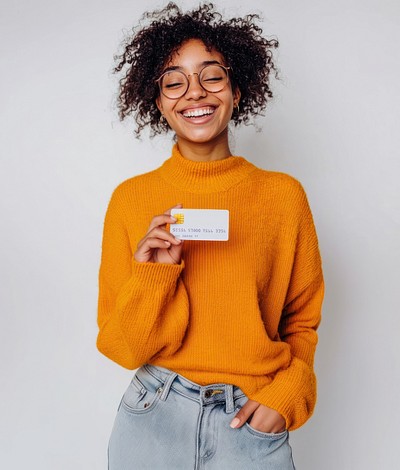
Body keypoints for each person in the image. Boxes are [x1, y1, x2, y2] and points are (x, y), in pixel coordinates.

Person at [96, 3, 324, 469]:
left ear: (237, 90)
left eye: (211, 76)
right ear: (158, 101)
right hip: (153, 414)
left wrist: (288, 395)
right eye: (174, 81)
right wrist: (153, 276)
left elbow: (302, 320)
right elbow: (122, 348)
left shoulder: (282, 196)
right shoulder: (131, 199)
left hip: (252, 416)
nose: (194, 92)